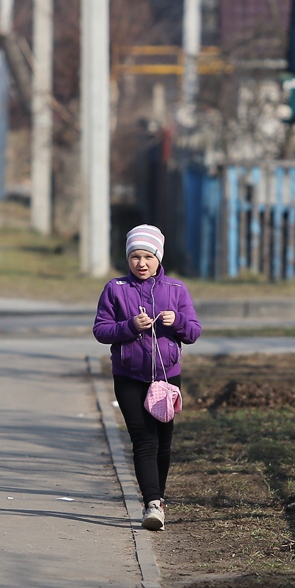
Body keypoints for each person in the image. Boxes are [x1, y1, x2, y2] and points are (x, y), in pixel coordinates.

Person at [93, 225, 201, 531]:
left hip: (167, 379)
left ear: (158, 258)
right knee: (144, 440)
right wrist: (129, 326)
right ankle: (152, 504)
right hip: (129, 377)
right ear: (128, 259)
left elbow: (193, 331)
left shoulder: (177, 290)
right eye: (135, 257)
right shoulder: (115, 289)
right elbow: (101, 329)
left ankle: (158, 498)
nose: (141, 263)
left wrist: (177, 321)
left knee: (164, 444)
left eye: (148, 257)